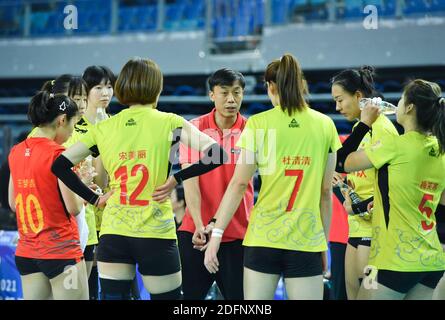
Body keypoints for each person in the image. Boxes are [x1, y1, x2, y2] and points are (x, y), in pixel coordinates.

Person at [51, 57, 228, 300]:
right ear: (157, 87)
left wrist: (94, 199)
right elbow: (218, 153)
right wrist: (177, 179)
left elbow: (60, 165)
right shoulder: (169, 122)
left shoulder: (105, 128)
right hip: (155, 232)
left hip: (114, 232)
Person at [204, 53, 342, 300]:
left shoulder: (258, 124)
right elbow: (325, 193)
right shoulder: (325, 125)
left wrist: (216, 234)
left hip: (263, 238)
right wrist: (323, 244)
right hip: (306, 240)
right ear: (300, 84)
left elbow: (239, 184)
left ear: (270, 87)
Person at [343, 79, 445, 300]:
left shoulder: (395, 145)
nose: (396, 104)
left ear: (409, 107)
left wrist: (365, 123)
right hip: (432, 262)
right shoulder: (440, 148)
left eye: (400, 99)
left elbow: (342, 161)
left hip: (393, 261)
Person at [178, 68, 253, 300]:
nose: (231, 99)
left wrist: (215, 224)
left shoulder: (253, 130)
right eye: (224, 93)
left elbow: (242, 184)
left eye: (237, 93)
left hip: (239, 233)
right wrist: (200, 225)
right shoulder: (190, 128)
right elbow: (189, 181)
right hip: (195, 234)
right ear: (212, 95)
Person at [8, 91, 89, 300]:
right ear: (62, 120)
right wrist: (85, 189)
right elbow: (74, 208)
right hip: (61, 253)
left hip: (27, 253)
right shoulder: (59, 155)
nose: (72, 132)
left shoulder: (16, 151)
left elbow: (13, 202)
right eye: (73, 124)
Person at [331, 66, 399, 299]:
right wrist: (344, 185)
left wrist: (358, 206)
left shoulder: (382, 129)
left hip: (375, 229)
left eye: (340, 100)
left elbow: (391, 186)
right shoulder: (359, 128)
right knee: (352, 293)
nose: (337, 107)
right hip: (355, 227)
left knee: (366, 296)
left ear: (359, 97)